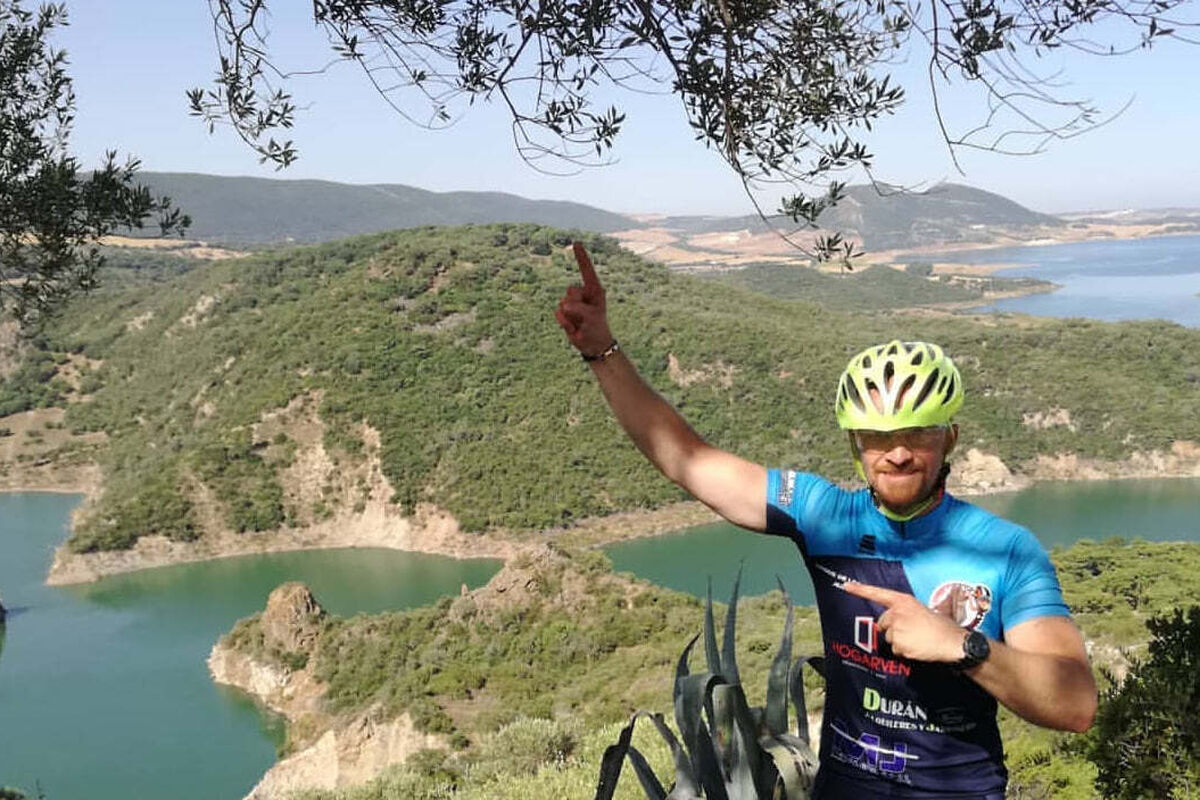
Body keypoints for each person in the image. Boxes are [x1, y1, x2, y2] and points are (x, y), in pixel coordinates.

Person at [555, 242, 1097, 799]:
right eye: (878, 438)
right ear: (854, 443)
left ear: (950, 436)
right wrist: (602, 350)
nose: (899, 454)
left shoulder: (1006, 550)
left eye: (919, 434)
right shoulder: (825, 515)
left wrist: (961, 645)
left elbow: (1076, 705)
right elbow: (688, 462)